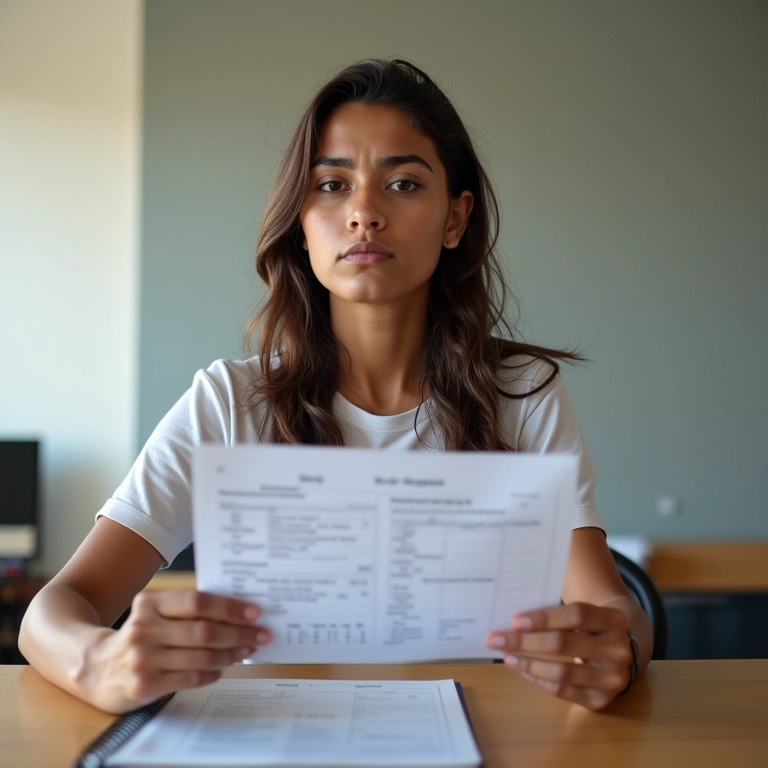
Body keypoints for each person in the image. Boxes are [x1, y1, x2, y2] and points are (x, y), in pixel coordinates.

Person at [19, 59, 652, 714]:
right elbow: (56, 609)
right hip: (272, 736)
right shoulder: (230, 404)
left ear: (455, 218)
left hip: (474, 734)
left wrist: (623, 649)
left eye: (403, 183)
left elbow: (611, 605)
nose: (364, 214)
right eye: (331, 185)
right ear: (300, 220)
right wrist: (98, 662)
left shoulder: (520, 394)